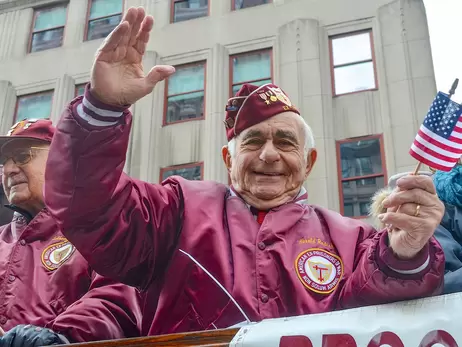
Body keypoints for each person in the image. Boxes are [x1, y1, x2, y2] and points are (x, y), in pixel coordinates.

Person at [44, 7, 445, 336]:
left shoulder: (353, 238)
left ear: (308, 163)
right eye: (253, 142)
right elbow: (91, 211)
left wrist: (406, 251)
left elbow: (379, 309)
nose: (269, 155)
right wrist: (101, 111)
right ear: (227, 159)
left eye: (285, 143)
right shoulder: (176, 209)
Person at [0, 119, 142, 346]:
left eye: (21, 156)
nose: (8, 169)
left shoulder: (102, 225)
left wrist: (63, 338)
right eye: (3, 162)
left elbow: (117, 298)